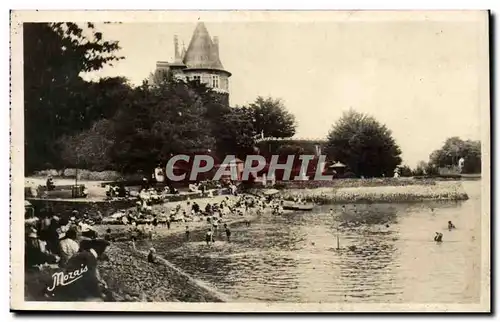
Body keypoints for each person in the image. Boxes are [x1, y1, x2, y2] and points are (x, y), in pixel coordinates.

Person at [46, 239, 110, 302]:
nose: (106, 254)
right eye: (104, 251)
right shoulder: (90, 258)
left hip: (69, 286)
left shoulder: (84, 254)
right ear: (100, 250)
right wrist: (100, 293)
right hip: (76, 292)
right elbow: (90, 280)